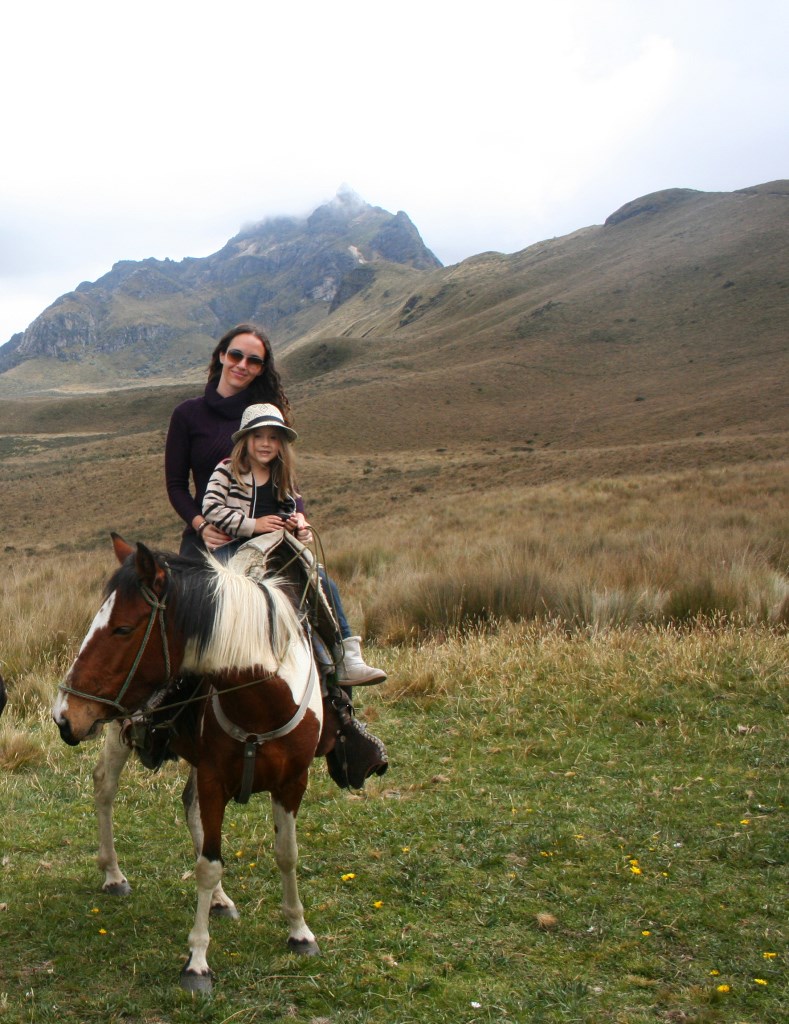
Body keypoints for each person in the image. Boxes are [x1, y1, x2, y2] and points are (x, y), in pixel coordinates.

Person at [202, 402, 386, 686]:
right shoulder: (227, 470)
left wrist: (298, 528)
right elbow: (211, 508)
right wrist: (254, 525)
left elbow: (291, 513)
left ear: (281, 444)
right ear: (245, 440)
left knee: (321, 581)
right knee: (215, 595)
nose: (265, 444)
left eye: (273, 437)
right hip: (233, 547)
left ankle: (346, 655)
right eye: (258, 436)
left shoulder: (282, 475)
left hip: (277, 547)